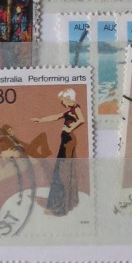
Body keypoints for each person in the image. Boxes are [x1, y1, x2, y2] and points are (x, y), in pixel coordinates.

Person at [34, 88, 86, 216]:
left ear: (68, 98)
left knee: (62, 172)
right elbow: (56, 116)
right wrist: (40, 120)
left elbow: (81, 120)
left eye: (63, 100)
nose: (62, 103)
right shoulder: (70, 110)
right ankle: (67, 203)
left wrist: (70, 128)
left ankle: (59, 207)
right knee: (64, 170)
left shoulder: (76, 108)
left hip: (68, 142)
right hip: (66, 142)